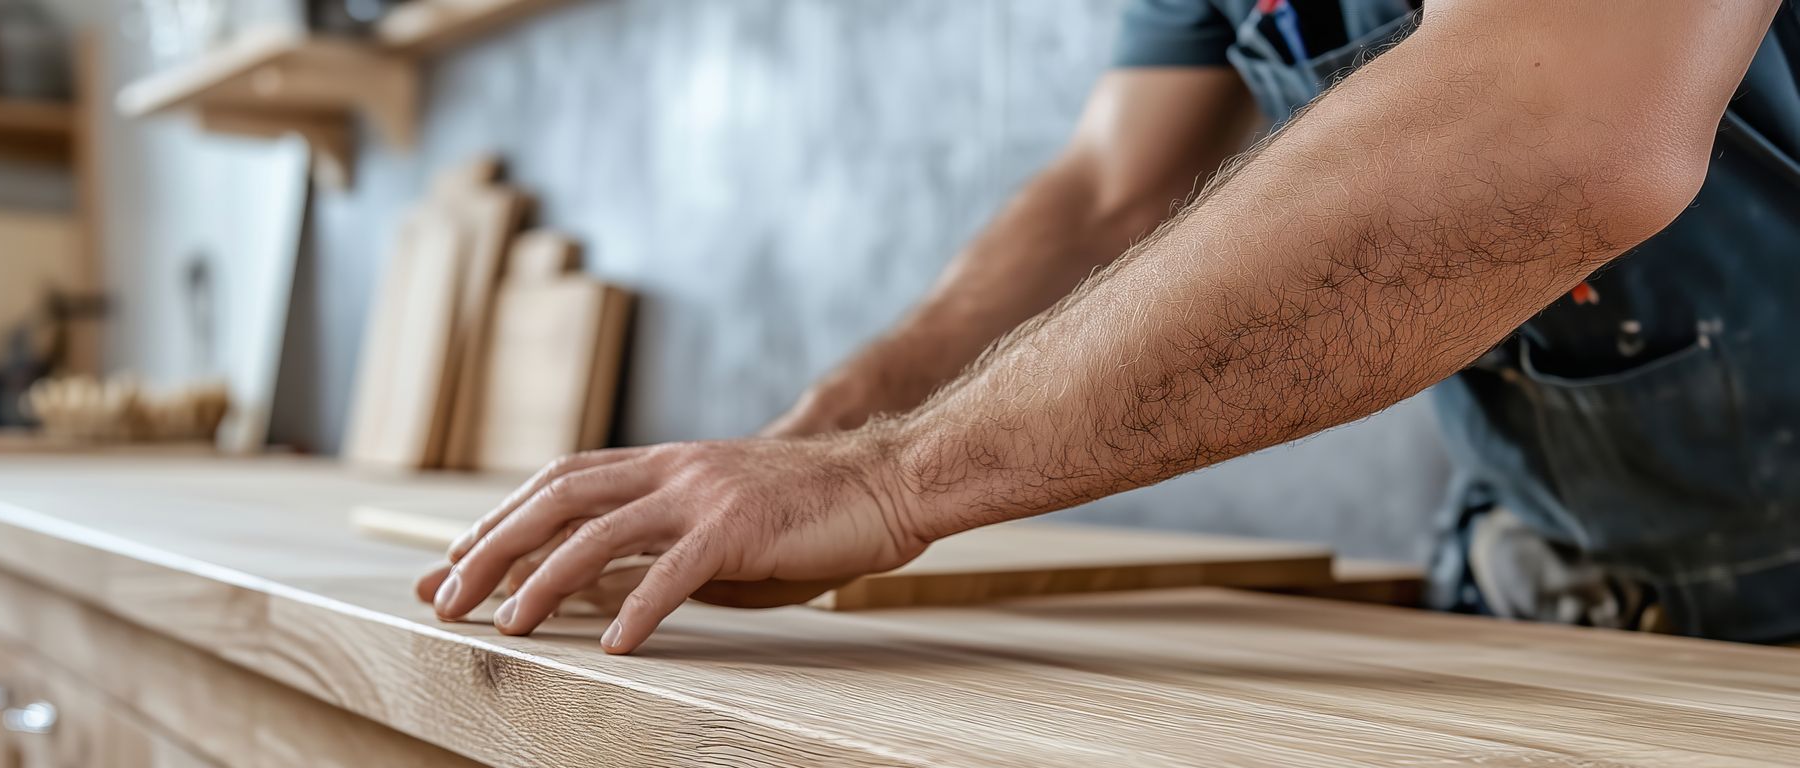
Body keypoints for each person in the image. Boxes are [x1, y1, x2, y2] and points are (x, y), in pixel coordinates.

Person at [422, 0, 1800, 653]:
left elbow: (1557, 126)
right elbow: (1107, 188)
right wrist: (827, 428)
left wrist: (897, 480)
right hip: (1536, 603)